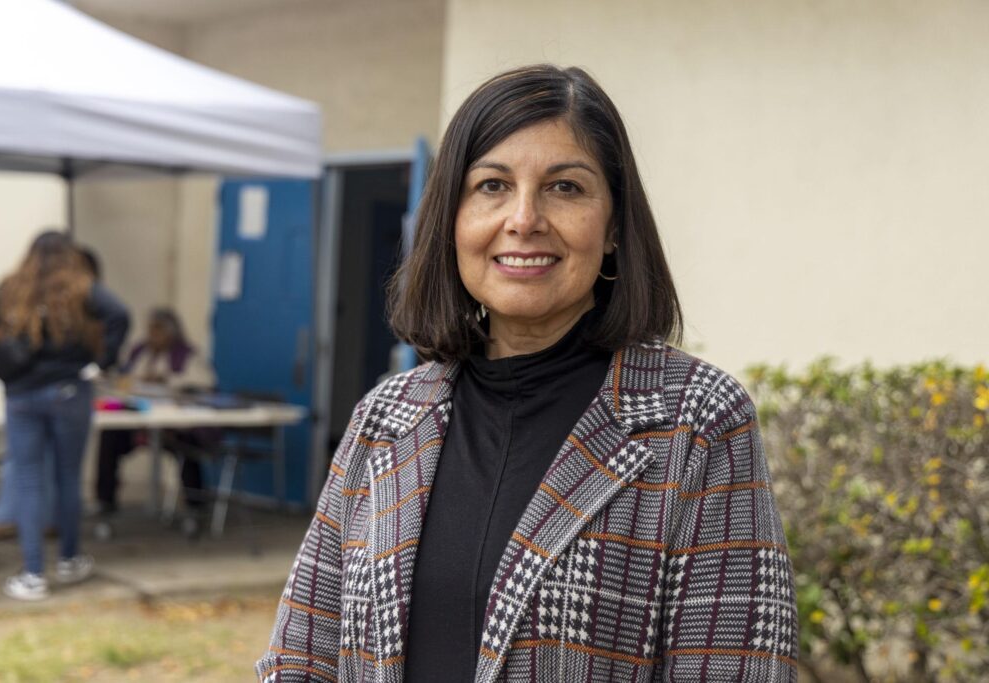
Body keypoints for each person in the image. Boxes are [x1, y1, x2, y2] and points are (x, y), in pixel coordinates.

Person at [256, 65, 798, 682]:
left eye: (564, 188)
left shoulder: (696, 421)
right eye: (491, 185)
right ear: (452, 220)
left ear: (615, 225)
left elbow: (734, 667)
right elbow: (303, 651)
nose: (523, 219)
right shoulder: (387, 416)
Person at [0, 231, 129, 600]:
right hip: (69, 391)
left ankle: (33, 574)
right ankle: (69, 559)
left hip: (21, 395)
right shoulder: (82, 289)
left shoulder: (11, 288)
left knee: (28, 481)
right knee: (68, 477)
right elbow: (120, 314)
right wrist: (101, 361)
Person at [0, 243, 103, 542]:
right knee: (59, 473)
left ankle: (32, 557)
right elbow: (117, 320)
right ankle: (63, 553)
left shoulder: (26, 294)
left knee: (29, 470)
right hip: (63, 392)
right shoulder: (75, 300)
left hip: (26, 393)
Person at [94, 307, 215, 518]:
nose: (152, 335)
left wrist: (167, 381)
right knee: (110, 437)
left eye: (158, 330)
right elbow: (124, 379)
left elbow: (205, 383)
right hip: (141, 422)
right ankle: (105, 500)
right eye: (150, 329)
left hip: (173, 424)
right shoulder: (141, 352)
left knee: (187, 446)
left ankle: (196, 505)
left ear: (171, 332)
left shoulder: (186, 355)